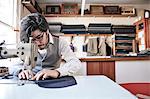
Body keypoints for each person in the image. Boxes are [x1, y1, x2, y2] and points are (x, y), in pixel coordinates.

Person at [18, 13, 82, 80]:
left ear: (47, 31)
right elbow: (13, 66)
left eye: (39, 37)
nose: (37, 43)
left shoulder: (60, 43)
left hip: (52, 81)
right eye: (33, 40)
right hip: (31, 81)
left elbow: (75, 63)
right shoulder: (25, 45)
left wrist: (57, 72)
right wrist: (21, 71)